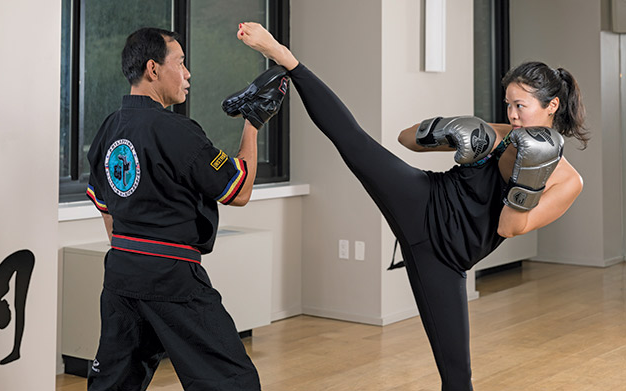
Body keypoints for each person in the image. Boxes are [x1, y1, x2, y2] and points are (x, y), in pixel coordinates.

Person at [228, 22, 588, 391]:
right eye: (508, 104)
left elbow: (508, 228)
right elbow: (405, 139)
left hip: (445, 261)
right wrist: (454, 127)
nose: (512, 115)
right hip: (424, 200)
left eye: (520, 106)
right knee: (352, 140)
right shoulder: (500, 133)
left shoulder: (567, 182)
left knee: (457, 377)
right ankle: (283, 57)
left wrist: (529, 177)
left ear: (552, 105)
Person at [85, 27, 289, 390]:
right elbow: (238, 189)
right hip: (172, 279)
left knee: (113, 385)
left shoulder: (108, 129)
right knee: (232, 381)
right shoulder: (177, 130)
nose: (187, 73)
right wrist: (253, 123)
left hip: (120, 277)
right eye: (180, 63)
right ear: (153, 69)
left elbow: (105, 208)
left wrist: (134, 258)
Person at [0, 249, 35, 365]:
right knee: (19, 306)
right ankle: (16, 350)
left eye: (7, 311)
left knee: (19, 307)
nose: (8, 306)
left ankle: (16, 350)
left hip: (25, 259)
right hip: (24, 261)